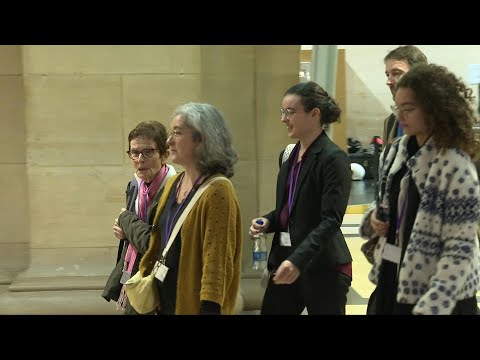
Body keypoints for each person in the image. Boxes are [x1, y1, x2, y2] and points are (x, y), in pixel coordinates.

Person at [360, 64, 480, 315]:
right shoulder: (397, 150)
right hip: (394, 275)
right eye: (398, 108)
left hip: (439, 292)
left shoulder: (455, 165)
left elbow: (460, 246)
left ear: (435, 110)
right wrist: (373, 218)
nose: (401, 116)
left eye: (409, 109)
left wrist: (435, 303)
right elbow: (385, 200)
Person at [249, 81, 353, 315]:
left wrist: (298, 260)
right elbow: (290, 210)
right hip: (286, 261)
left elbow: (331, 220)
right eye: (282, 112)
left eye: (290, 112)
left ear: (314, 114)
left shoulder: (333, 159)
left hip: (322, 266)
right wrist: (268, 221)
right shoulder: (288, 156)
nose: (284, 118)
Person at [137, 102, 243, 315]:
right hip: (165, 304)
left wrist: (209, 309)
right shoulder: (173, 183)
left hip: (195, 307)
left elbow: (216, 262)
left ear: (202, 139)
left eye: (177, 132)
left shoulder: (218, 191)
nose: (168, 141)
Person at [102, 121, 176, 314]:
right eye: (134, 152)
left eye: (148, 152)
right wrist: (124, 232)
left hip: (163, 284)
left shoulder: (175, 190)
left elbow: (153, 243)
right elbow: (137, 232)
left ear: (164, 154)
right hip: (135, 276)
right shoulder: (135, 185)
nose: (140, 159)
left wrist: (126, 220)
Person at [382, 45, 428, 146]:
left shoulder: (438, 118)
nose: (388, 82)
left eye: (396, 73)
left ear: (419, 75)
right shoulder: (390, 122)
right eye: (387, 75)